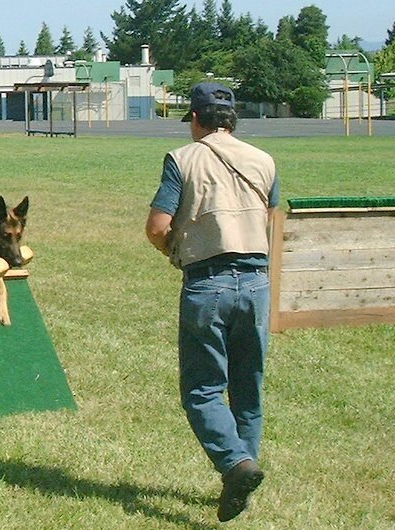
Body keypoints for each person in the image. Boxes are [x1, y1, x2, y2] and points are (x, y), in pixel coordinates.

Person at [145, 82, 280, 523]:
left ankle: (235, 464)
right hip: (258, 282)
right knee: (247, 389)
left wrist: (174, 251)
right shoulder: (264, 160)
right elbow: (273, 222)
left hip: (208, 283)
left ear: (197, 120)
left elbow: (156, 226)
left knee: (202, 391)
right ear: (232, 119)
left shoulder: (183, 160)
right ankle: (241, 476)